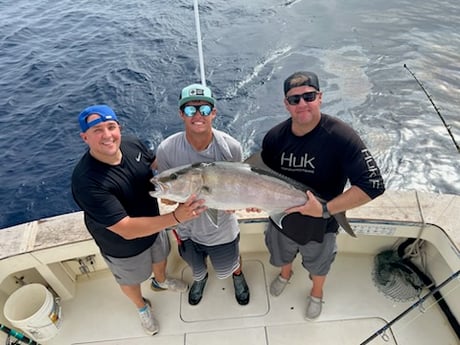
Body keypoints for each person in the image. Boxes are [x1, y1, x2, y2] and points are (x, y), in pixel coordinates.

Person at [71, 104, 206, 336]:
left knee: (160, 258)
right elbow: (126, 230)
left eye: (110, 127)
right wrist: (175, 216)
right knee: (130, 281)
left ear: (119, 128)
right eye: (96, 130)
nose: (106, 135)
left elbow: (156, 167)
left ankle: (161, 281)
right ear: (85, 137)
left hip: (155, 228)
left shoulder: (132, 143)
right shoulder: (87, 182)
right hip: (122, 246)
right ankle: (142, 308)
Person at [260, 71, 385, 320]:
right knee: (281, 256)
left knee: (319, 266)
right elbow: (260, 182)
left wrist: (325, 210)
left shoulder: (341, 137)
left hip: (321, 226)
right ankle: (286, 274)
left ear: (320, 98)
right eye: (294, 99)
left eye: (309, 96)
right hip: (280, 222)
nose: (302, 104)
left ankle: (316, 293)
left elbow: (373, 184)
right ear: (286, 104)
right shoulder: (274, 138)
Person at [154, 83, 250, 306]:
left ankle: (238, 274)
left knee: (230, 265)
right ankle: (201, 278)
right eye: (190, 110)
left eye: (204, 110)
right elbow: (166, 195)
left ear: (214, 113)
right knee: (196, 268)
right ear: (181, 114)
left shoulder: (231, 148)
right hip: (186, 230)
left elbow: (241, 185)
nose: (198, 115)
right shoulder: (166, 149)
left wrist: (241, 203)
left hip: (222, 229)